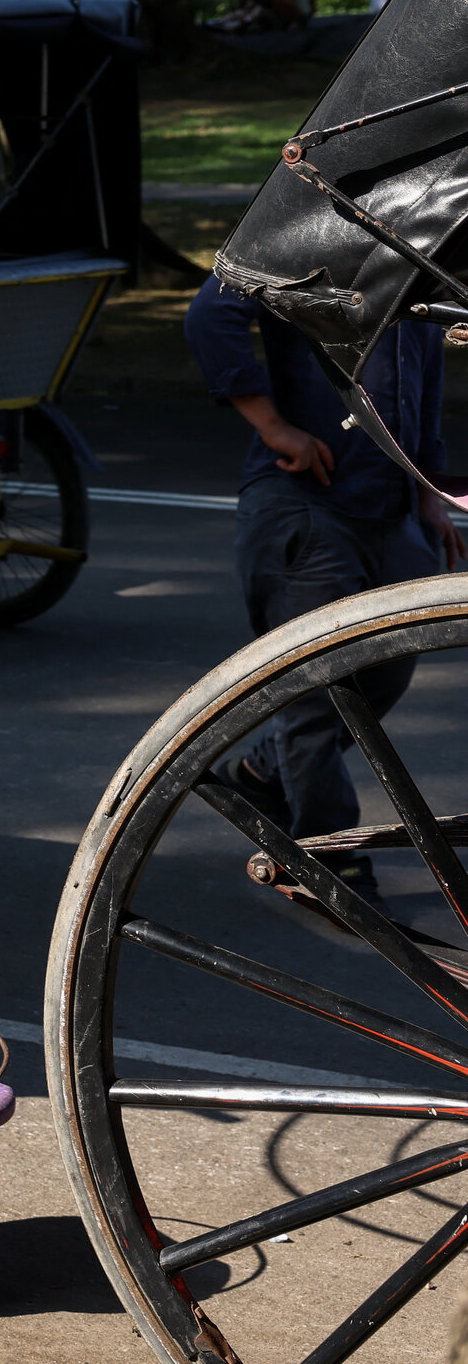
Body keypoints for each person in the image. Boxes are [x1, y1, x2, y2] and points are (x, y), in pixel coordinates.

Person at [184, 275, 464, 909]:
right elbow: (209, 317)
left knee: (385, 672)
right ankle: (325, 862)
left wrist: (427, 491)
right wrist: (273, 426)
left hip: (391, 508)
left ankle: (261, 771)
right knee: (317, 698)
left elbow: (425, 384)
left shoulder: (413, 264)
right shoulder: (309, 244)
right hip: (307, 506)